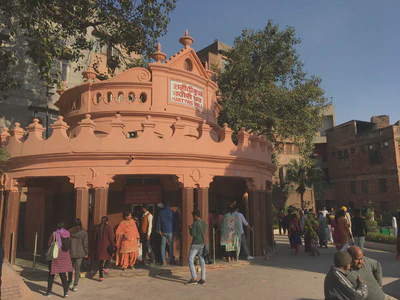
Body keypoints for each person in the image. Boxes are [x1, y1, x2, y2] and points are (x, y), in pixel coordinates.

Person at [45, 221, 73, 298]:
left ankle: (49, 292)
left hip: (56, 255)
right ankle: (66, 292)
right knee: (63, 274)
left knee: (51, 274)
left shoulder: (55, 234)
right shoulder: (68, 234)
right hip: (65, 255)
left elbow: (49, 243)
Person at [186, 210, 207, 286]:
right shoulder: (204, 223)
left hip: (195, 243)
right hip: (202, 243)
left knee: (190, 260)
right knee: (202, 261)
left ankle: (194, 278)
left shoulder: (195, 223)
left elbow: (193, 234)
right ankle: (203, 279)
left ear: (195, 215)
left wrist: (190, 228)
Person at [67, 218, 88, 292]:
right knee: (77, 269)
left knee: (70, 268)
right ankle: (75, 285)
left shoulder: (69, 231)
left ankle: (70, 282)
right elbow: (85, 244)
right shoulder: (83, 232)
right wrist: (86, 252)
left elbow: (67, 243)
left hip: (71, 252)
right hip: (80, 253)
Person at [94, 216, 115, 281]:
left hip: (99, 246)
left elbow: (95, 238)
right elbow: (111, 238)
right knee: (109, 257)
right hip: (107, 246)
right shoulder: (108, 228)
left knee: (100, 261)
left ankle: (101, 276)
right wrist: (113, 245)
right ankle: (104, 268)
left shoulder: (97, 227)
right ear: (107, 221)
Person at [158, 201, 176, 266]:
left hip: (163, 231)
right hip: (170, 230)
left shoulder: (161, 212)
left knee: (163, 246)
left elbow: (159, 222)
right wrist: (175, 230)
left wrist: (159, 230)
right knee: (171, 246)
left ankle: (164, 261)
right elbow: (174, 222)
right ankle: (171, 260)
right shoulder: (172, 212)